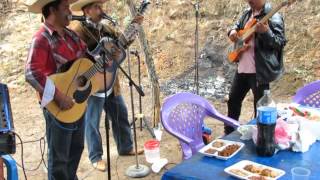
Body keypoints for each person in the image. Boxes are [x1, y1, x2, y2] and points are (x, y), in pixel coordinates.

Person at [70, 0, 143, 171]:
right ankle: (96, 157)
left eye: (100, 6)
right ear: (87, 10)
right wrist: (94, 62)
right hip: (93, 84)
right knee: (92, 122)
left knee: (120, 113)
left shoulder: (106, 28)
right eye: (97, 7)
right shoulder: (78, 31)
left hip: (111, 81)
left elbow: (122, 43)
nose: (101, 10)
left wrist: (133, 29)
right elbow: (75, 58)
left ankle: (126, 147)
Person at [25, 0, 88, 179]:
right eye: (65, 7)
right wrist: (58, 95)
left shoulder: (71, 35)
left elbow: (86, 60)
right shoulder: (41, 38)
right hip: (57, 105)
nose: (69, 11)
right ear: (52, 10)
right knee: (59, 158)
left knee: (76, 149)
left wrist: (105, 57)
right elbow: (31, 72)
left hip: (77, 101)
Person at [225, 0, 286, 134]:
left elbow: (279, 43)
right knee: (233, 101)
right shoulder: (247, 14)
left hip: (259, 72)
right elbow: (236, 26)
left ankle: (261, 137)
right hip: (241, 69)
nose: (250, 1)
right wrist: (232, 31)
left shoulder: (273, 16)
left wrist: (266, 32)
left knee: (260, 108)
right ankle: (228, 134)